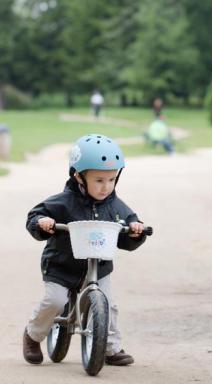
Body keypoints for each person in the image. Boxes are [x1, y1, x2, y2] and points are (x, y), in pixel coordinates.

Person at [22, 134, 147, 365]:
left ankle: (109, 348)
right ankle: (33, 335)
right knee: (55, 301)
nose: (106, 187)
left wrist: (135, 230)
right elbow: (35, 215)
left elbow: (129, 228)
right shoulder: (62, 202)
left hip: (98, 268)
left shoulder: (116, 207)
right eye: (99, 180)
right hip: (62, 266)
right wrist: (43, 223)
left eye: (111, 180)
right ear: (79, 176)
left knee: (109, 304)